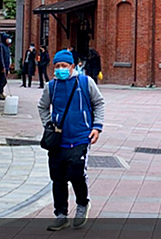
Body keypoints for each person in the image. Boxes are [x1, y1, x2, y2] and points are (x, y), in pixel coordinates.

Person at [37, 49, 105, 231]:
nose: (60, 69)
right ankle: (61, 215)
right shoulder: (51, 86)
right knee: (57, 178)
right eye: (57, 66)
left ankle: (82, 204)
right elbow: (42, 107)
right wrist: (49, 125)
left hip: (81, 137)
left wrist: (97, 127)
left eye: (64, 66)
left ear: (72, 67)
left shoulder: (85, 82)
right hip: (58, 140)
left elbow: (98, 102)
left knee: (76, 173)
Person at [0, 33, 12, 100]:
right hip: (2, 67)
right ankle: (0, 92)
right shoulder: (1, 46)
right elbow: (1, 57)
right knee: (2, 80)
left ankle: (1, 92)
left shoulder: (7, 47)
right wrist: (2, 66)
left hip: (7, 66)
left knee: (4, 80)